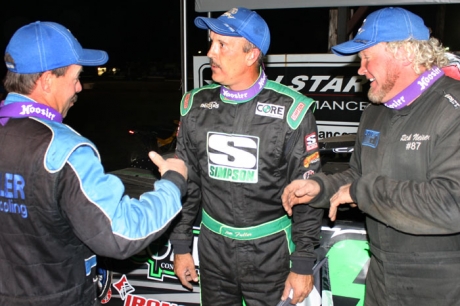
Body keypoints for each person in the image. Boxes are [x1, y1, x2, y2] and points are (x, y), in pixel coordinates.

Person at [0, 21, 187, 306]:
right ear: (47, 79)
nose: (79, 87)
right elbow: (122, 232)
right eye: (75, 77)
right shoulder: (64, 149)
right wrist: (173, 183)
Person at [282, 7, 460, 305]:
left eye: (366, 57)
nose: (360, 69)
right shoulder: (375, 112)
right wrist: (321, 188)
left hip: (443, 283)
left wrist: (361, 190)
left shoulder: (452, 108)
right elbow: (357, 175)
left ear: (403, 53)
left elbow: (453, 204)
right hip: (381, 275)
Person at [169, 7, 323, 306]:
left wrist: (303, 263)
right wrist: (181, 244)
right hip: (213, 249)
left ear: (251, 54)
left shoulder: (292, 112)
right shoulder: (194, 105)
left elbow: (307, 191)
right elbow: (188, 183)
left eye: (222, 45)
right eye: (211, 42)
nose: (211, 52)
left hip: (271, 252)